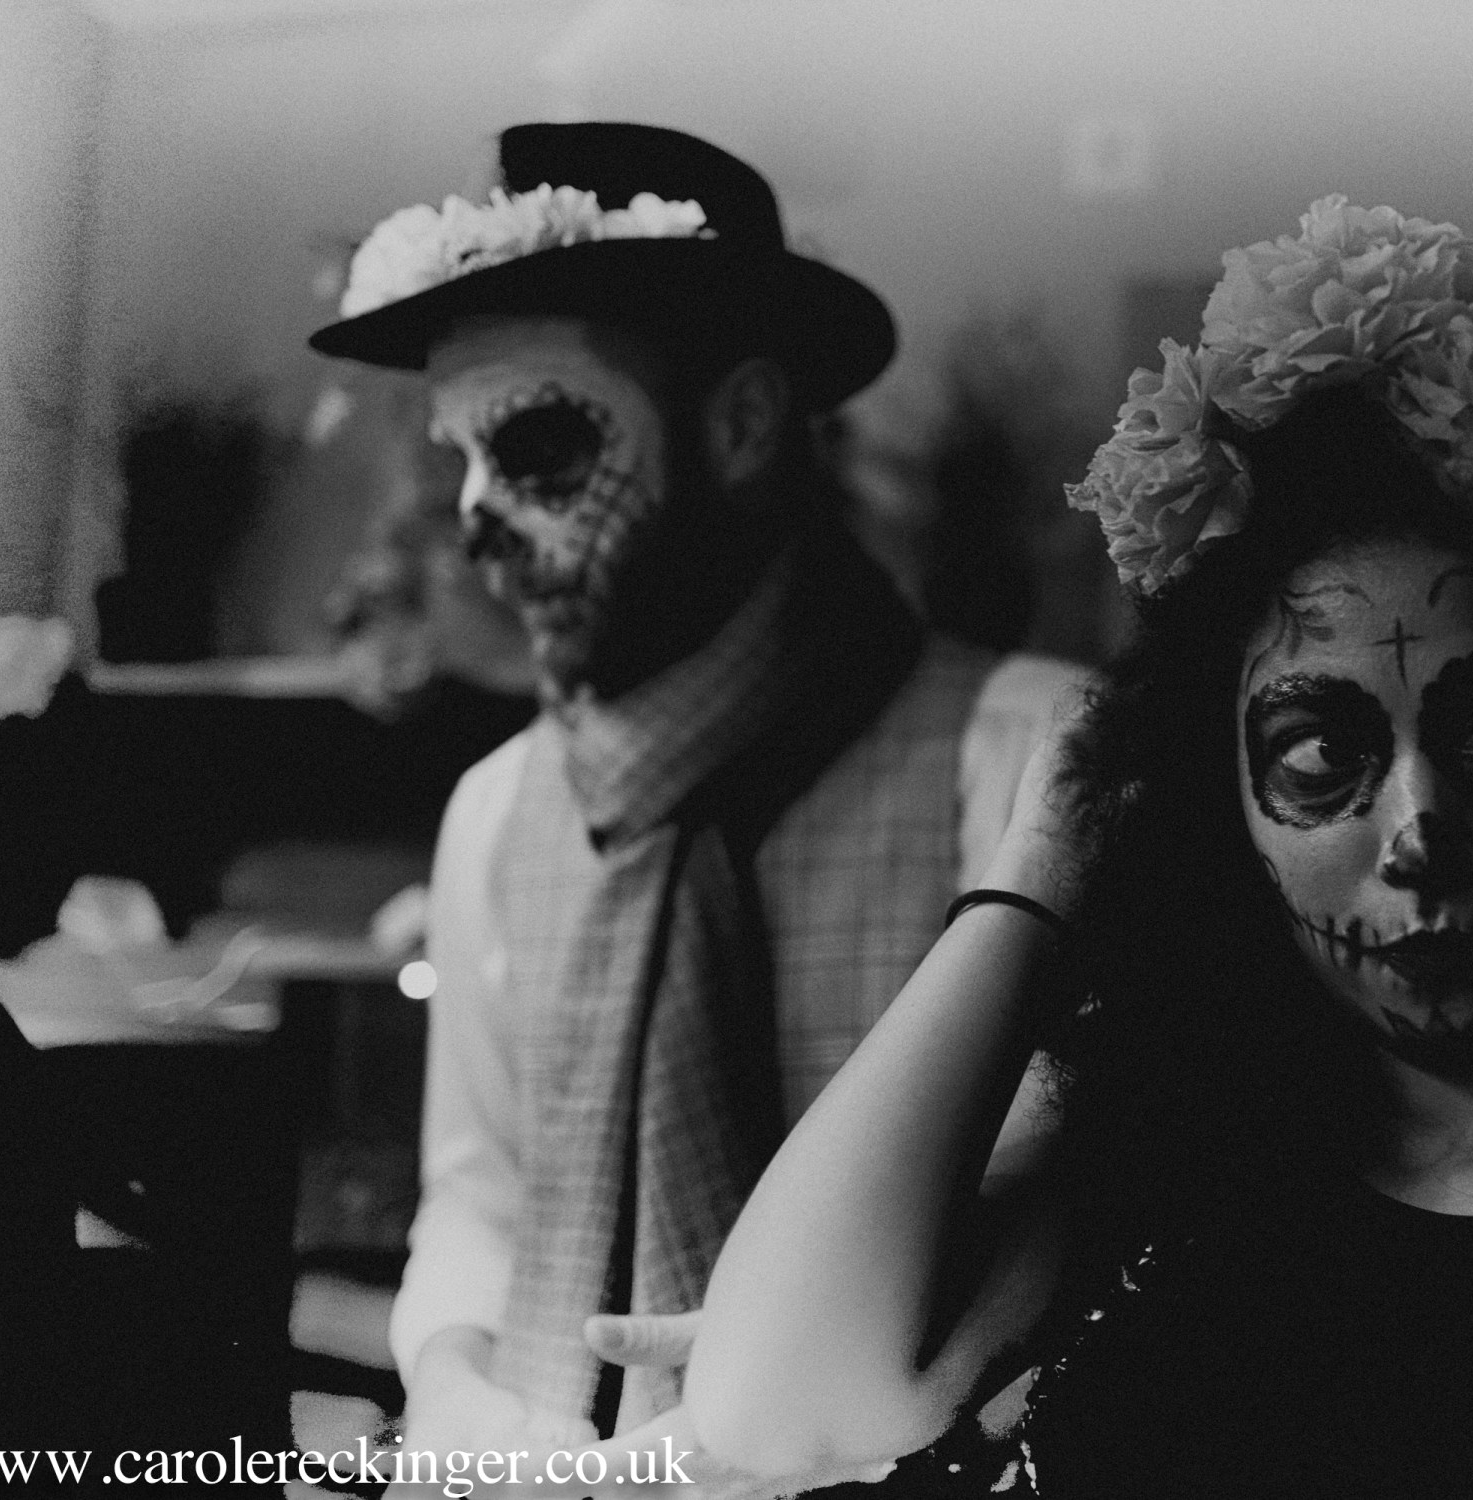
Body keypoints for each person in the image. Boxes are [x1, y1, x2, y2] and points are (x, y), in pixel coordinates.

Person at [626, 200, 1473, 1497]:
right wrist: (1039, 871)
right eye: (1320, 757)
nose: (1419, 835)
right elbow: (773, 1409)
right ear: (1216, 797)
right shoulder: (1140, 1173)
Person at [308, 123, 1078, 1462]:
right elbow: (480, 1192)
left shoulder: (1029, 758)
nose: (477, 515)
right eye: (458, 457)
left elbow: (1058, 1209)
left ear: (740, 425)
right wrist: (452, 1384)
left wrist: (751, 1428)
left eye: (539, 444)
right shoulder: (495, 813)